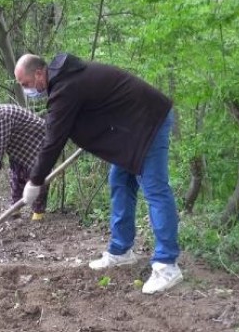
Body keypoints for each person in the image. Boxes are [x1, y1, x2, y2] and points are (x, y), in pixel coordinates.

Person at [14, 53, 182, 294]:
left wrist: (35, 180)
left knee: (154, 189)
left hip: (148, 121)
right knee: (120, 181)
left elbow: (53, 141)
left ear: (39, 73)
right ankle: (121, 250)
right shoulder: (65, 81)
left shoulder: (65, 87)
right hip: (129, 128)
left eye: (26, 83)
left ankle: (167, 265)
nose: (27, 90)